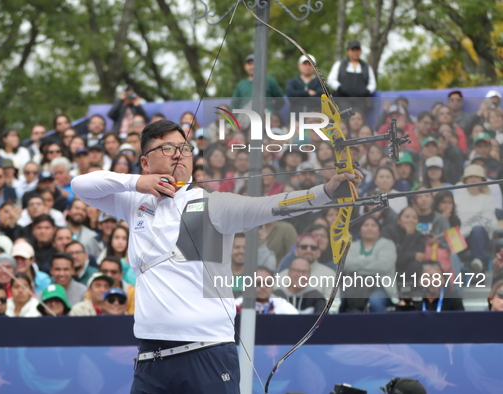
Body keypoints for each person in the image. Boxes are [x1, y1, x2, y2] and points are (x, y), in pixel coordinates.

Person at [71, 119, 355, 394]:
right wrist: (138, 183)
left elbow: (272, 206)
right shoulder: (134, 202)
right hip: (150, 358)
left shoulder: (211, 205)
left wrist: (325, 193)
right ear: (145, 162)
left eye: (185, 148)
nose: (179, 155)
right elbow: (81, 185)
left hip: (206, 353)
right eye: (167, 148)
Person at [342, 216, 397, 313]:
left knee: (375, 301)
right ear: (360, 230)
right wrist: (372, 259)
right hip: (354, 288)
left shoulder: (387, 244)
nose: (369, 228)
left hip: (380, 287)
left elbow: (384, 266)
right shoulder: (352, 246)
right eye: (366, 225)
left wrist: (358, 268)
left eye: (373, 225)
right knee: (337, 300)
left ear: (379, 230)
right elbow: (346, 265)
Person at [453, 164, 497, 272]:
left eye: (476, 177)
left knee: (477, 229)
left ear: (482, 180)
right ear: (465, 180)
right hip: (461, 237)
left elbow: (487, 222)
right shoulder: (457, 198)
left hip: (481, 237)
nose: (473, 179)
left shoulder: (487, 199)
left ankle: (477, 260)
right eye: (470, 177)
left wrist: (467, 230)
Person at [328, 40, 376, 111]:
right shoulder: (340, 64)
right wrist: (340, 88)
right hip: (343, 99)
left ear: (360, 51)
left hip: (361, 100)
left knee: (359, 117)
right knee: (345, 116)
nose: (355, 52)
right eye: (353, 50)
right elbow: (331, 80)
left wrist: (366, 91)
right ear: (348, 51)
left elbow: (372, 83)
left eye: (357, 50)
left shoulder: (366, 67)